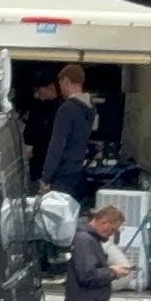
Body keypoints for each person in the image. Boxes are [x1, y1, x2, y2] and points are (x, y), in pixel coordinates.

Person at [40, 64, 94, 201]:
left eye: (60, 84)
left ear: (66, 81)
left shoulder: (67, 109)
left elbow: (57, 145)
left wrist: (46, 177)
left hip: (63, 174)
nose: (60, 89)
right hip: (79, 171)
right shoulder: (90, 108)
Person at [22, 70, 62, 184]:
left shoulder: (61, 110)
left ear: (50, 88)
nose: (36, 95)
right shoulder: (38, 106)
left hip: (51, 161)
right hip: (38, 161)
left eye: (39, 91)